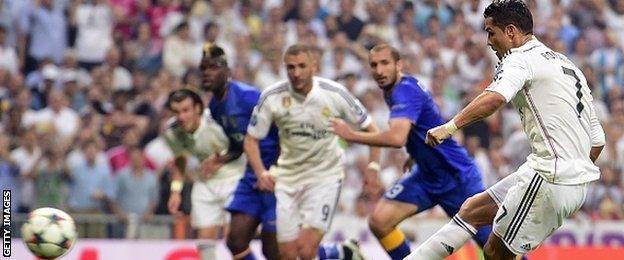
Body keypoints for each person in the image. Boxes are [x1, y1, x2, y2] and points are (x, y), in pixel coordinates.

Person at [406, 1, 605, 259]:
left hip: (550, 177)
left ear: (511, 31)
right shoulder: (567, 65)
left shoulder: (519, 58)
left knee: (494, 253)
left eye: (491, 32)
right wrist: (573, 176)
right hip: (557, 175)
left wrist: (449, 127)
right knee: (473, 210)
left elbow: (496, 97)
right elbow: (597, 139)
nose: (488, 41)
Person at [200, 43, 365, 260]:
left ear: (227, 72)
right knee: (235, 240)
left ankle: (337, 253)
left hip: (279, 174)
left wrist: (276, 169)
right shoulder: (215, 106)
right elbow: (243, 142)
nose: (206, 73)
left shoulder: (249, 97)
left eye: (212, 68)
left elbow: (285, 129)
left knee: (275, 252)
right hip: (254, 175)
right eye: (203, 68)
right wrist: (222, 159)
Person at [330, 43, 491, 260]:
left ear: (399, 65)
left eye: (385, 63)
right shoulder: (397, 89)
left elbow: (397, 138)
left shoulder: (404, 91)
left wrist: (350, 135)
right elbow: (425, 123)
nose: (379, 70)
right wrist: (416, 154)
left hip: (457, 177)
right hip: (426, 175)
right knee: (379, 221)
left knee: (494, 247)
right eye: (374, 65)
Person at [244, 43, 380, 260]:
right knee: (287, 255)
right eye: (291, 67)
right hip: (287, 179)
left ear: (314, 66)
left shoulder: (334, 93)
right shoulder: (272, 97)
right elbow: (251, 140)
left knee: (306, 250)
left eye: (301, 66)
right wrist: (261, 172)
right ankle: (342, 254)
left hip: (325, 177)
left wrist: (373, 167)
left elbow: (372, 130)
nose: (296, 73)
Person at [164, 88, 247, 260]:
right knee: (204, 240)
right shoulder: (172, 132)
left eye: (186, 110)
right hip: (205, 183)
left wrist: (220, 160)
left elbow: (243, 144)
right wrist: (175, 191)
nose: (181, 117)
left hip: (234, 179)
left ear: (198, 109)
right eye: (176, 112)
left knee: (234, 239)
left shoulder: (217, 121)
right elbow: (180, 160)